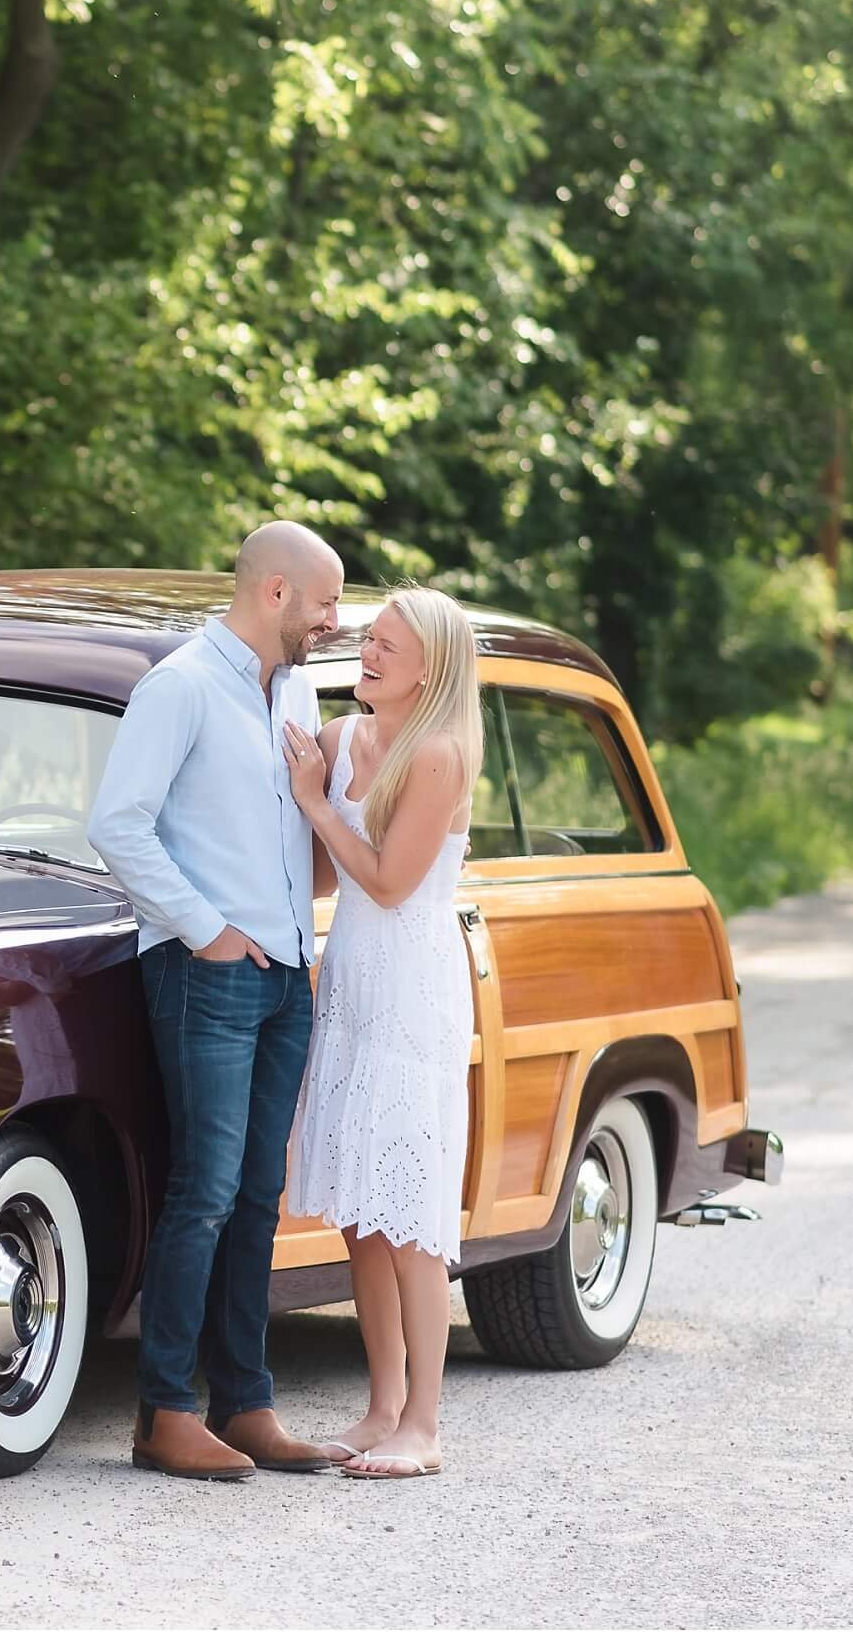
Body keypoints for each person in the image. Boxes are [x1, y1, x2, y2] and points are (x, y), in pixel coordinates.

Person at [85, 521, 346, 1481]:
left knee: (256, 1195)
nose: (332, 621)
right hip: (209, 972)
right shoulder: (182, 684)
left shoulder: (298, 689)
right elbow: (116, 822)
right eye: (323, 603)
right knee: (202, 1189)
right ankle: (164, 1411)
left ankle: (247, 1402)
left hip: (285, 975)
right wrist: (206, 929)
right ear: (274, 593)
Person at [279, 586, 483, 1482]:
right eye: (367, 637)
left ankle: (426, 1425)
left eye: (387, 645)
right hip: (354, 984)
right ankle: (382, 1406)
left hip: (413, 991)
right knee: (363, 1213)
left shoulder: (435, 753)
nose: (366, 651)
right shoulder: (341, 738)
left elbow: (392, 883)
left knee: (412, 1222)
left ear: (428, 668)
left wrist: (317, 805)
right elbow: (324, 880)